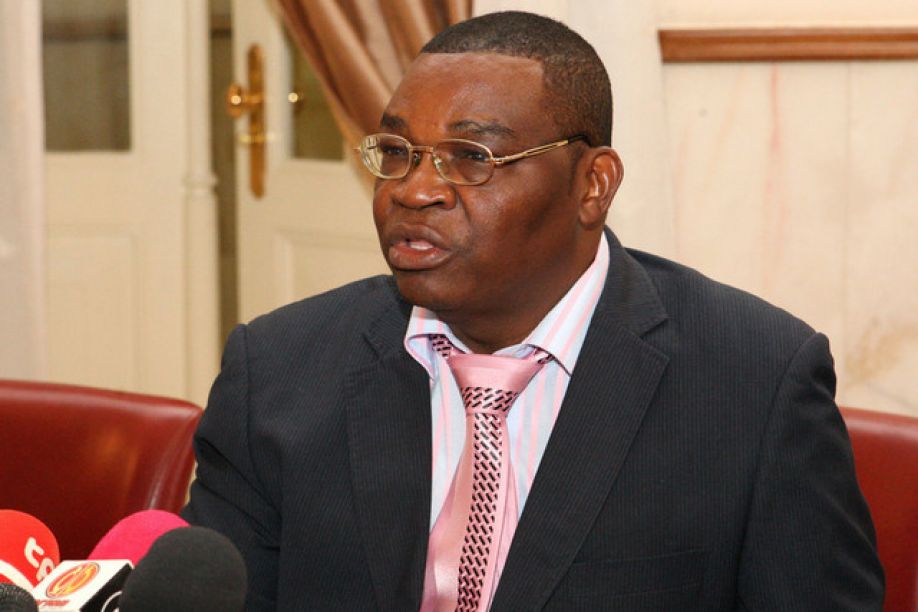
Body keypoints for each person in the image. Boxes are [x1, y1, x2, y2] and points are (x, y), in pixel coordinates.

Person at [182, 11, 884, 611]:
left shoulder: (753, 384)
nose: (413, 190)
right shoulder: (276, 371)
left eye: (471, 157)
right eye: (397, 152)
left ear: (593, 184)